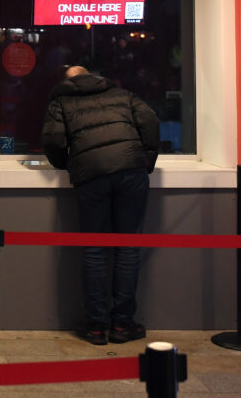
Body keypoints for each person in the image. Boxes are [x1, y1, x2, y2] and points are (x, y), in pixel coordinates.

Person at [41, 65, 160, 346]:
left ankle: (95, 326)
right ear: (92, 76)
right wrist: (146, 159)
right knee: (128, 247)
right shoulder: (121, 94)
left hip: (91, 175)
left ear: (67, 82)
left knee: (95, 249)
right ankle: (122, 324)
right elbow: (151, 121)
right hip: (131, 171)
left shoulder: (61, 101)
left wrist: (68, 164)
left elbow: (53, 139)